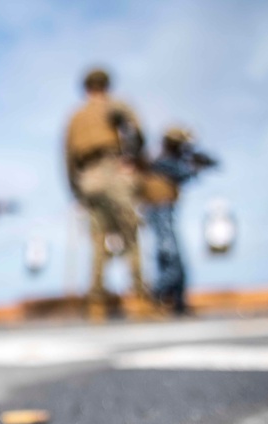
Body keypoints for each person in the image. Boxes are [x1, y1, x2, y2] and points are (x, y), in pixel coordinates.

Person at [63, 67, 155, 321]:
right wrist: (131, 160)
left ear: (86, 88)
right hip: (112, 170)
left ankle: (96, 305)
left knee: (98, 242)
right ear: (106, 85)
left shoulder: (76, 117)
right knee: (131, 234)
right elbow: (137, 133)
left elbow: (68, 158)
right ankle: (141, 300)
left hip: (88, 180)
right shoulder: (115, 106)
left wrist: (76, 190)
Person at [140, 127, 218, 314]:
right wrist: (195, 166)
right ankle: (155, 295)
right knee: (172, 259)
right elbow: (182, 173)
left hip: (163, 211)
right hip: (161, 211)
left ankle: (176, 303)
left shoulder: (163, 160)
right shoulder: (163, 161)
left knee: (171, 259)